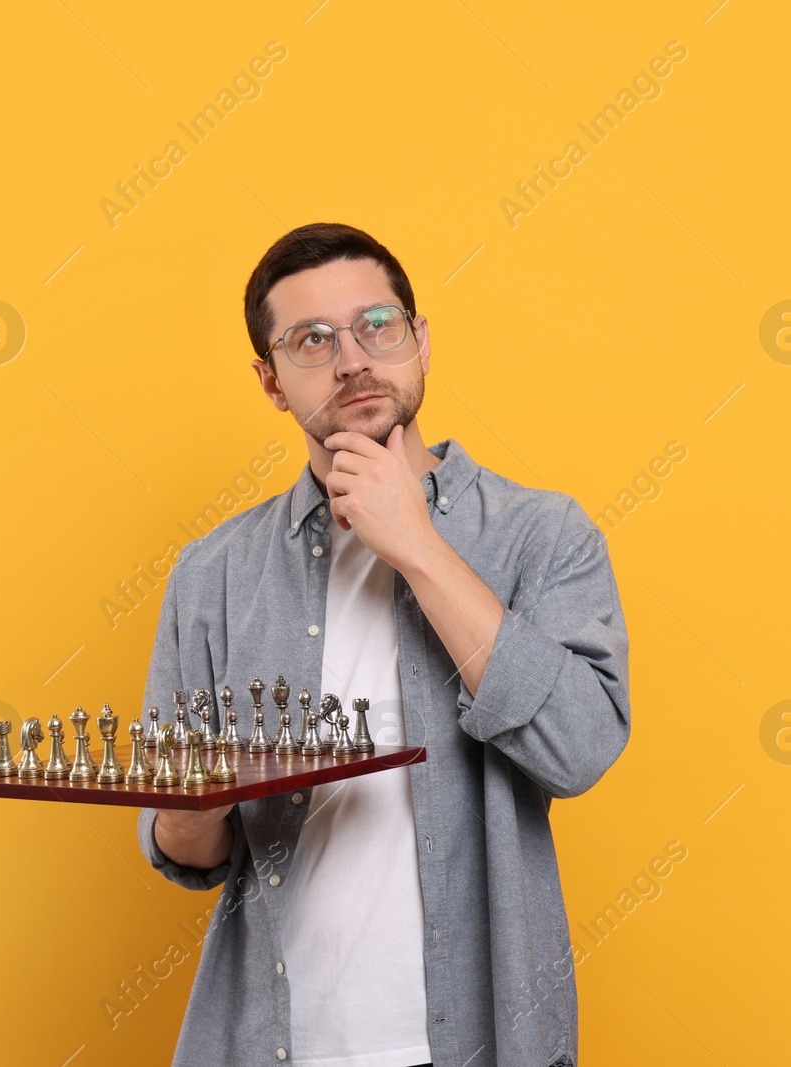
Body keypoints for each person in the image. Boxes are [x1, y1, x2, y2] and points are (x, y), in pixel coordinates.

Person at [135, 222, 631, 1067]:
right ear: (271, 380)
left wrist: (418, 544)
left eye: (378, 325)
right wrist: (192, 805)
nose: (353, 358)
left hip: (483, 1041)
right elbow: (187, 851)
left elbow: (580, 748)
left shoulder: (542, 535)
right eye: (312, 340)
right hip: (268, 1044)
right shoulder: (211, 574)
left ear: (421, 340)